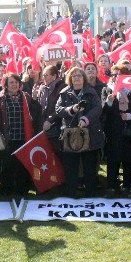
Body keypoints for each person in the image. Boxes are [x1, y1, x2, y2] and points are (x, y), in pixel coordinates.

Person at [51, 67, 103, 196]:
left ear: (84, 78)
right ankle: (71, 191)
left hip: (89, 133)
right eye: (74, 76)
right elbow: (58, 109)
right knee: (71, 165)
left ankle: (90, 191)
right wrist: (72, 109)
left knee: (89, 164)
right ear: (70, 78)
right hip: (70, 133)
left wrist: (86, 119)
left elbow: (98, 108)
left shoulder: (91, 92)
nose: (77, 78)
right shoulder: (64, 92)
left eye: (79, 75)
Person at [102, 64, 131, 194]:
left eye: (120, 75)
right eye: (115, 75)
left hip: (128, 131)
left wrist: (130, 116)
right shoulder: (107, 90)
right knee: (112, 159)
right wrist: (109, 103)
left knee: (127, 160)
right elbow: (103, 111)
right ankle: (111, 185)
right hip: (113, 130)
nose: (117, 77)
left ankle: (126, 184)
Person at [0, 72, 38, 197]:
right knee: (7, 164)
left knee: (22, 165)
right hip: (7, 137)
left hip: (23, 136)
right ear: (6, 85)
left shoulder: (26, 97)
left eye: (16, 82)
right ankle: (6, 189)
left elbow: (35, 113)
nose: (14, 85)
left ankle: (21, 189)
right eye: (11, 83)